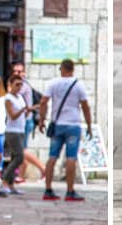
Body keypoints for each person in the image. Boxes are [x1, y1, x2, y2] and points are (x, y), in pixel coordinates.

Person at [38, 59, 92, 201]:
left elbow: (43, 102)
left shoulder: (53, 83)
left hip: (57, 124)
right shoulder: (78, 85)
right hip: (73, 124)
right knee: (71, 158)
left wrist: (41, 120)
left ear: (61, 69)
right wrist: (89, 125)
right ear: (73, 69)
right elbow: (85, 106)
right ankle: (70, 191)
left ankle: (48, 189)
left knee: (52, 156)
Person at [11, 62, 46, 181]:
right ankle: (21, 175)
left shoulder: (23, 87)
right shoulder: (18, 85)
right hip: (21, 121)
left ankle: (43, 168)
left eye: (19, 71)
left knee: (21, 150)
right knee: (19, 150)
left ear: (24, 73)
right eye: (15, 71)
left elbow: (20, 104)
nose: (17, 73)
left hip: (24, 122)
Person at [2, 75, 33, 195]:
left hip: (20, 130)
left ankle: (11, 184)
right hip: (12, 131)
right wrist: (23, 110)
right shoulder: (8, 98)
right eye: (17, 85)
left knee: (15, 158)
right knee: (20, 156)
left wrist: (27, 111)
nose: (19, 87)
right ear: (10, 85)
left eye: (21, 85)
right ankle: (5, 179)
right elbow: (12, 116)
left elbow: (22, 116)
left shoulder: (20, 97)